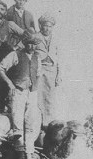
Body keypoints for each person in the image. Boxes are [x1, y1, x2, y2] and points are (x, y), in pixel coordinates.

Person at [0, 33, 42, 159]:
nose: (31, 46)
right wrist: (10, 83)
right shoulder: (15, 54)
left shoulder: (37, 58)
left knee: (31, 123)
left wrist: (34, 88)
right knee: (17, 123)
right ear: (24, 43)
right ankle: (20, 155)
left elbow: (38, 74)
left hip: (31, 92)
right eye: (29, 43)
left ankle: (29, 155)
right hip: (18, 91)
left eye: (34, 44)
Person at [35, 13, 63, 146]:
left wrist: (59, 75)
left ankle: (48, 123)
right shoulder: (35, 36)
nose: (47, 28)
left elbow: (58, 59)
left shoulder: (56, 40)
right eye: (44, 26)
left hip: (52, 70)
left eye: (49, 26)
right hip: (39, 69)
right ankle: (39, 123)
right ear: (40, 26)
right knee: (39, 96)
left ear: (52, 27)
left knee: (50, 97)